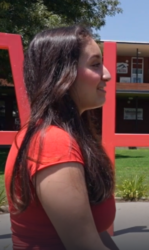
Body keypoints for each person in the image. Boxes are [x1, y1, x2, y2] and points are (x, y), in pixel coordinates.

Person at [4, 25, 119, 250]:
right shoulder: (53, 144)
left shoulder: (62, 134)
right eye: (95, 64)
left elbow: (96, 233)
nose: (107, 74)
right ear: (62, 74)